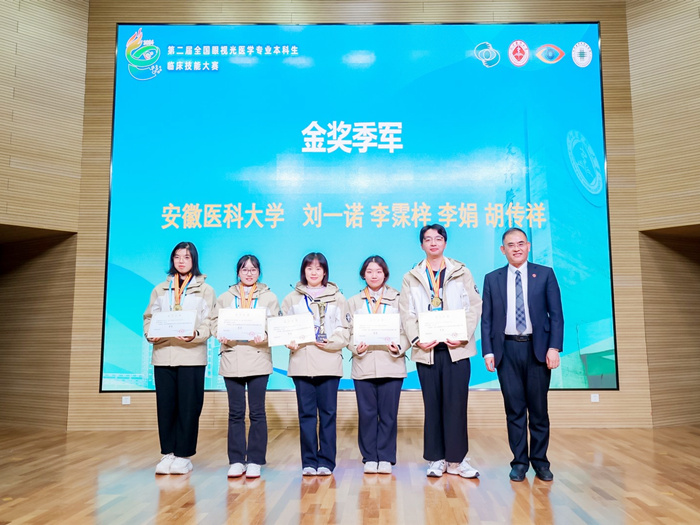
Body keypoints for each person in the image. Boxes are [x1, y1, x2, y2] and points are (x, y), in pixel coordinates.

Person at [399, 224, 482, 478]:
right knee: (432, 405)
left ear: (445, 242)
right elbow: (406, 313)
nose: (433, 243)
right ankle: (436, 459)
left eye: (438, 238)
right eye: (428, 239)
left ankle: (457, 461)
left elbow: (474, 306)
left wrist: (462, 335)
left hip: (457, 349)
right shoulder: (412, 276)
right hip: (428, 351)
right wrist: (417, 339)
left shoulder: (461, 271)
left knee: (456, 405)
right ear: (422, 245)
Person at [481, 227, 563, 482]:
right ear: (502, 250)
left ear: (528, 246)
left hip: (537, 350)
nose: (516, 248)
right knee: (514, 410)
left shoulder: (545, 274)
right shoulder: (492, 278)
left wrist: (553, 347)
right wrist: (488, 351)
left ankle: (540, 462)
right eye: (510, 245)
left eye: (520, 243)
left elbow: (556, 315)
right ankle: (519, 463)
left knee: (538, 411)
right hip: (506, 350)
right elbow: (487, 319)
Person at [144, 241, 215, 475]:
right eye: (177, 257)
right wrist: (150, 334)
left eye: (186, 257)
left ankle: (183, 455)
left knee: (189, 407)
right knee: (165, 407)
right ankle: (168, 453)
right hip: (163, 355)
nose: (181, 261)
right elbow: (149, 318)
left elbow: (210, 323)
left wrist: (195, 334)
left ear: (194, 260)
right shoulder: (160, 289)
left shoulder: (205, 290)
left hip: (191, 356)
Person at [212, 255, 280, 479]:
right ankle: (236, 460)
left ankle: (255, 460)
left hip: (258, 358)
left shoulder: (269, 297)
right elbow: (214, 323)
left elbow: (275, 326)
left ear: (259, 272)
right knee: (235, 412)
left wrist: (265, 336)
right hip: (232, 358)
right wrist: (219, 333)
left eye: (253, 269)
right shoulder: (225, 297)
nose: (249, 273)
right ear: (238, 272)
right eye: (244, 269)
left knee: (258, 412)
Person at [281, 252, 349, 477]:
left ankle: (327, 461)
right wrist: (288, 341)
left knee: (328, 414)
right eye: (309, 268)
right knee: (306, 415)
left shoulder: (338, 298)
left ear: (325, 272)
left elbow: (345, 330)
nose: (314, 272)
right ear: (304, 271)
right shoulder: (292, 298)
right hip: (302, 362)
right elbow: (284, 328)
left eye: (318, 268)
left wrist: (332, 342)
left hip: (329, 362)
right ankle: (309, 461)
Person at [347, 256, 409, 475]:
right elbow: (347, 332)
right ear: (363, 275)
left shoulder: (399, 299)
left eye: (378, 271)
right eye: (369, 271)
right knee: (367, 414)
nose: (374, 275)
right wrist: (355, 347)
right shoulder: (354, 301)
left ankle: (386, 457)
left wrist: (399, 346)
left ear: (385, 274)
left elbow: (408, 329)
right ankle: (369, 457)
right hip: (363, 364)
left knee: (388, 415)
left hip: (391, 363)